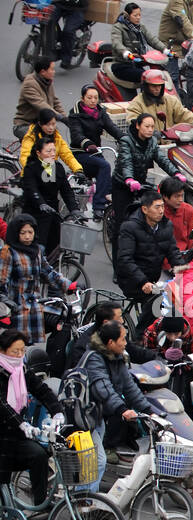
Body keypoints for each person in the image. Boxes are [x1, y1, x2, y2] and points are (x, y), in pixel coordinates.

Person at [81, 319, 153, 485]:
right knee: (97, 462)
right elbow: (103, 389)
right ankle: (83, 504)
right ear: (110, 342)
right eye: (123, 339)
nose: (125, 343)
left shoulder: (117, 357)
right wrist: (122, 410)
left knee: (94, 462)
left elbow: (129, 387)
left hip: (98, 416)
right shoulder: (94, 359)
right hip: (84, 415)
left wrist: (149, 410)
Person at [0, 329, 63, 512]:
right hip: (3, 435)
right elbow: (2, 404)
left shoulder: (22, 369)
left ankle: (39, 503)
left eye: (22, 351)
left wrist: (57, 411)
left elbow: (42, 390)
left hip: (16, 436)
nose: (19, 355)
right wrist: (21, 422)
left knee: (39, 455)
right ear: (3, 351)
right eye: (14, 351)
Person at [111, 113, 183, 250]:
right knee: (121, 226)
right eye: (146, 126)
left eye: (152, 126)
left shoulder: (152, 142)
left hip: (140, 183)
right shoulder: (126, 141)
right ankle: (118, 265)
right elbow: (126, 162)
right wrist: (129, 179)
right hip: (122, 184)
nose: (150, 129)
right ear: (138, 126)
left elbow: (162, 159)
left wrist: (176, 173)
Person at [0, 214, 72, 342]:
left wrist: (68, 285)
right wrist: (4, 305)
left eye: (30, 232)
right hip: (16, 306)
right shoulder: (8, 253)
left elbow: (48, 272)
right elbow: (1, 282)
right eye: (23, 233)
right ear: (16, 233)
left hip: (35, 301)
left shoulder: (36, 250)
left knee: (64, 316)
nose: (27, 236)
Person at [116, 190, 184, 321]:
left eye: (163, 206)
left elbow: (173, 253)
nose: (161, 211)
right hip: (132, 280)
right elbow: (125, 259)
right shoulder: (129, 227)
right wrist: (143, 281)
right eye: (157, 207)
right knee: (156, 304)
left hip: (154, 278)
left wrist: (184, 272)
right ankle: (140, 337)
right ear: (145, 209)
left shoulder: (166, 226)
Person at [66, 87, 120, 222]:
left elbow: (112, 128)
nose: (93, 100)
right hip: (81, 154)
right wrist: (87, 143)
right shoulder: (75, 114)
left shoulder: (100, 112)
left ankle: (112, 206)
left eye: (95, 98)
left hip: (96, 152)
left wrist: (125, 138)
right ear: (83, 98)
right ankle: (98, 206)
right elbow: (77, 134)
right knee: (105, 166)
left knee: (114, 177)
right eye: (89, 97)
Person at [21, 137, 79, 253]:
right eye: (48, 151)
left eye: (54, 150)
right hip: (35, 213)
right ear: (38, 153)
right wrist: (41, 203)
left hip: (53, 212)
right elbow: (32, 189)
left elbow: (66, 191)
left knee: (56, 247)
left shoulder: (58, 167)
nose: (52, 154)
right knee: (39, 248)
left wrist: (74, 209)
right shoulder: (31, 168)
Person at [66, 300, 156, 370]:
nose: (122, 321)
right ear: (106, 322)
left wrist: (155, 357)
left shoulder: (116, 334)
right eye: (119, 317)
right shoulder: (85, 348)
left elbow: (133, 351)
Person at [18, 108, 84, 184]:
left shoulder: (57, 137)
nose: (51, 128)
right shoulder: (31, 137)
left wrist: (78, 169)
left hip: (50, 174)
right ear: (40, 124)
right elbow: (25, 158)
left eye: (53, 124)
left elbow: (67, 155)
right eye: (48, 124)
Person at [110, 4, 167, 86]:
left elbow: (152, 40)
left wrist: (165, 50)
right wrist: (125, 52)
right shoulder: (118, 27)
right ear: (127, 15)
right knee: (146, 77)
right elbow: (116, 43)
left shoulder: (140, 27)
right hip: (121, 65)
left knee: (159, 73)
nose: (138, 17)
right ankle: (145, 98)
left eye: (139, 15)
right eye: (135, 15)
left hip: (136, 62)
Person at [126, 69, 193, 130]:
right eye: (153, 86)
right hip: (147, 144)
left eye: (160, 86)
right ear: (145, 86)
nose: (157, 89)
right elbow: (133, 121)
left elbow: (183, 114)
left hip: (171, 142)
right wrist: (148, 131)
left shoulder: (171, 100)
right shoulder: (137, 103)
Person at [15, 59, 65, 136]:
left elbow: (55, 101)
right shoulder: (29, 84)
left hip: (43, 123)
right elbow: (41, 105)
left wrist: (65, 117)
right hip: (26, 124)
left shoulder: (48, 81)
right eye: (52, 69)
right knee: (42, 142)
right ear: (43, 72)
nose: (54, 71)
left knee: (57, 140)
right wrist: (60, 117)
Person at [160, 176, 193, 256]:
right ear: (165, 197)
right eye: (177, 196)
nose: (180, 200)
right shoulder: (158, 211)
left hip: (183, 255)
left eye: (182, 196)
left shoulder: (188, 210)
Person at [49, 0, 87, 71]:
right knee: (48, 22)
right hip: (59, 4)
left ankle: (66, 59)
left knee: (68, 31)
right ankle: (51, 48)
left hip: (77, 8)